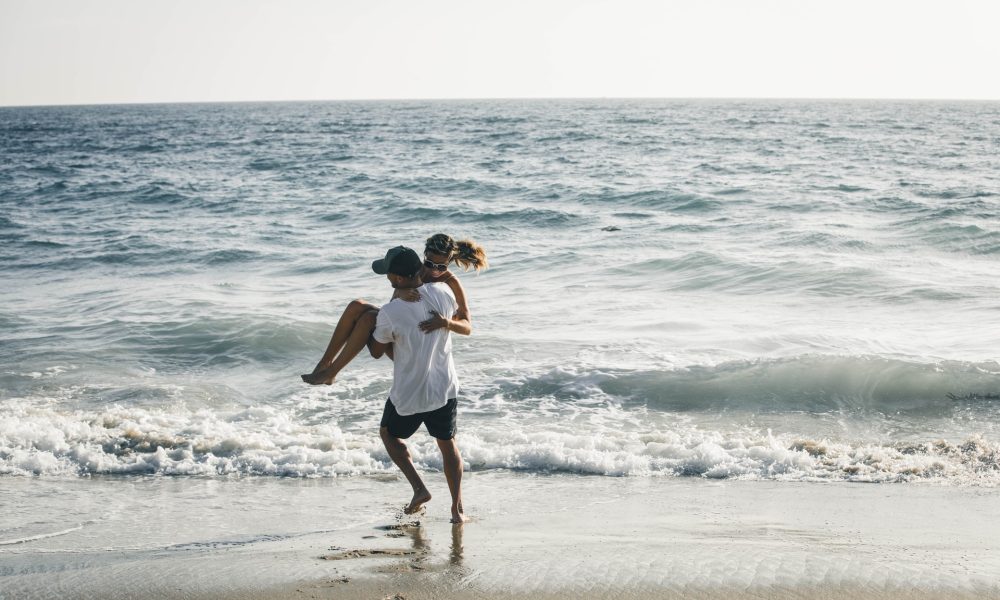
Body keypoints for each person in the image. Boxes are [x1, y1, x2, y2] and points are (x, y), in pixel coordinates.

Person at [301, 233, 487, 385]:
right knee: (355, 306)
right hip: (400, 331)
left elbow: (467, 327)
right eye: (430, 264)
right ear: (424, 256)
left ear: (450, 261)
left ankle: (332, 372)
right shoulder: (417, 271)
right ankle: (325, 364)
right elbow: (393, 307)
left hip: (418, 346)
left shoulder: (452, 283)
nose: (433, 271)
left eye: (441, 266)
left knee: (367, 318)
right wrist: (399, 292)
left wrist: (446, 322)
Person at [365, 246, 466, 524]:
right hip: (443, 389)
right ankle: (457, 511)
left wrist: (373, 320)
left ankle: (419, 488)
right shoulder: (444, 294)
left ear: (397, 279)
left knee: (388, 434)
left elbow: (376, 350)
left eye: (388, 275)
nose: (387, 278)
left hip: (409, 394)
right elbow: (460, 320)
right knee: (448, 445)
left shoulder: (390, 311)